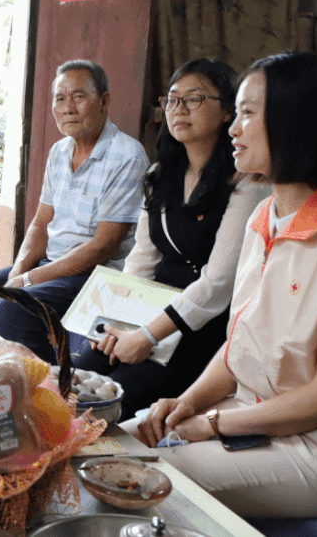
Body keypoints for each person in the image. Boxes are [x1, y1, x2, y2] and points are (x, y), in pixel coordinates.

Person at [127, 52, 317, 519]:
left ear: (298, 122)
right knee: (119, 441)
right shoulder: (263, 216)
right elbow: (241, 342)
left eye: (248, 113)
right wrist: (187, 403)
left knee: (152, 478)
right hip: (249, 413)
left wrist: (214, 423)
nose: (233, 129)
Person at [74, 58, 269, 419]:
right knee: (75, 381)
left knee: (110, 404)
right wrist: (119, 324)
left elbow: (218, 284)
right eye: (173, 100)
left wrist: (147, 336)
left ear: (228, 112)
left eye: (194, 99)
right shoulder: (160, 174)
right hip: (150, 311)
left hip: (201, 327)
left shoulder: (246, 183)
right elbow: (141, 259)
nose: (179, 109)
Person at [0, 59, 150, 363]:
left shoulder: (126, 155)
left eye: (79, 97)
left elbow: (104, 246)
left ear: (104, 101)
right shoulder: (59, 151)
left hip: (98, 275)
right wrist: (17, 272)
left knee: (12, 309)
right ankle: (5, 371)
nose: (68, 108)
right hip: (53, 264)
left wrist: (28, 281)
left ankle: (52, 382)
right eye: (60, 99)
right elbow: (41, 223)